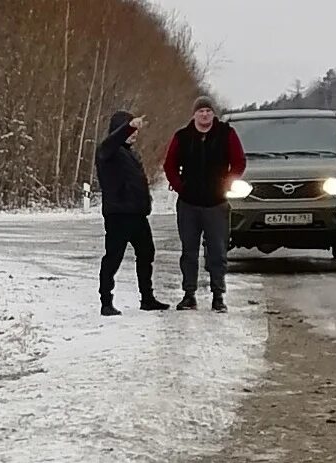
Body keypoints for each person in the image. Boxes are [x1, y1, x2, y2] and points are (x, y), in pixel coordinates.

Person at [161, 95, 245, 312]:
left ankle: (218, 296)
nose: (205, 114)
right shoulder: (183, 136)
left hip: (217, 203)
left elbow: (239, 162)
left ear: (213, 113)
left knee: (217, 251)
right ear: (194, 114)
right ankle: (189, 294)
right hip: (189, 203)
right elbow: (169, 165)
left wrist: (227, 183)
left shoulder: (226, 134)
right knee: (189, 251)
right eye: (201, 111)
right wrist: (180, 186)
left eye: (208, 110)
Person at [95, 110, 170, 316]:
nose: (135, 133)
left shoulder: (131, 153)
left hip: (137, 215)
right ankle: (106, 301)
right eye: (130, 129)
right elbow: (113, 141)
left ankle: (147, 298)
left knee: (147, 253)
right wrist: (129, 126)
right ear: (120, 129)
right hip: (118, 215)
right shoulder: (107, 151)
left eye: (135, 130)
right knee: (113, 257)